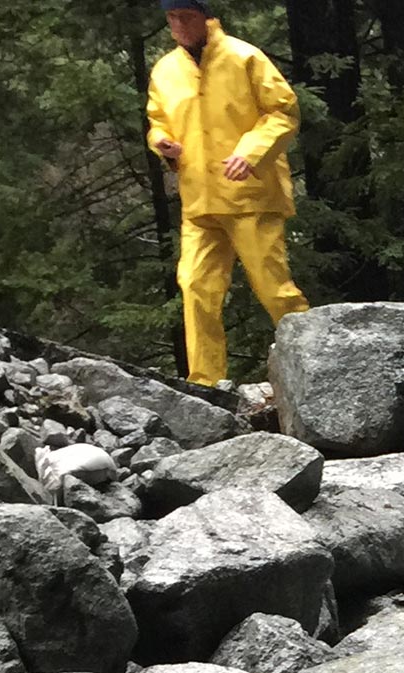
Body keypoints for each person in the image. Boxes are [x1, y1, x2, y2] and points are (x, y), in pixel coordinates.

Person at [145, 0, 309, 387]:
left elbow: (283, 111)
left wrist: (250, 152)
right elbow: (158, 119)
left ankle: (316, 363)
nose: (178, 26)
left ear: (205, 17)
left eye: (185, 17)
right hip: (199, 200)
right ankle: (204, 383)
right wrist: (162, 142)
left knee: (275, 290)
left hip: (250, 195)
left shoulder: (244, 57)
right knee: (196, 286)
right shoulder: (166, 70)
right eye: (171, 19)